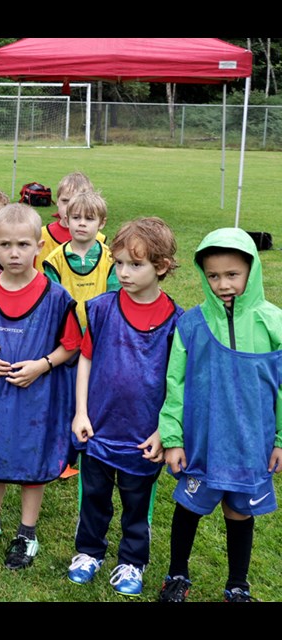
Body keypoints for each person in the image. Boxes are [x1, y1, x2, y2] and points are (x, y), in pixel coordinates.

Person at [157, 228, 282, 603]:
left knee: (240, 512)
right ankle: (176, 574)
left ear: (252, 271)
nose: (222, 283)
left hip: (250, 444)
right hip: (202, 443)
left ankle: (238, 584)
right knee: (189, 507)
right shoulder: (192, 324)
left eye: (232, 274)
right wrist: (173, 438)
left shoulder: (272, 323)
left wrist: (279, 440)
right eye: (213, 275)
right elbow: (174, 383)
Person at [68, 217, 183, 597]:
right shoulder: (100, 309)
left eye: (136, 265)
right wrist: (81, 412)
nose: (124, 272)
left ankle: (132, 561)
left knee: (137, 506)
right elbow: (84, 360)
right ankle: (88, 552)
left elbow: (176, 384)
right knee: (94, 499)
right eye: (119, 263)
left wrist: (163, 434)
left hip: (142, 439)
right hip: (98, 429)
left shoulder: (177, 323)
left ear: (162, 266)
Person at [0, 203, 82, 570]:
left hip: (38, 398)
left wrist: (42, 365)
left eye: (23, 245)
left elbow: (72, 344)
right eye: (6, 245)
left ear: (39, 245)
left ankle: (27, 531)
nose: (15, 253)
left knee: (34, 459)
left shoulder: (57, 297)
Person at [42, 190, 119, 330]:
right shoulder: (54, 260)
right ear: (67, 220)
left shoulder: (111, 258)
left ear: (102, 223)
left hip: (101, 331)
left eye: (89, 219)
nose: (82, 223)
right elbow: (52, 302)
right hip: (65, 335)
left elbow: (115, 297)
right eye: (76, 217)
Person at [35, 171, 102, 272]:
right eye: (65, 201)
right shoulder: (39, 236)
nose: (70, 208)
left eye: (77, 202)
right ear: (57, 201)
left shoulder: (99, 239)